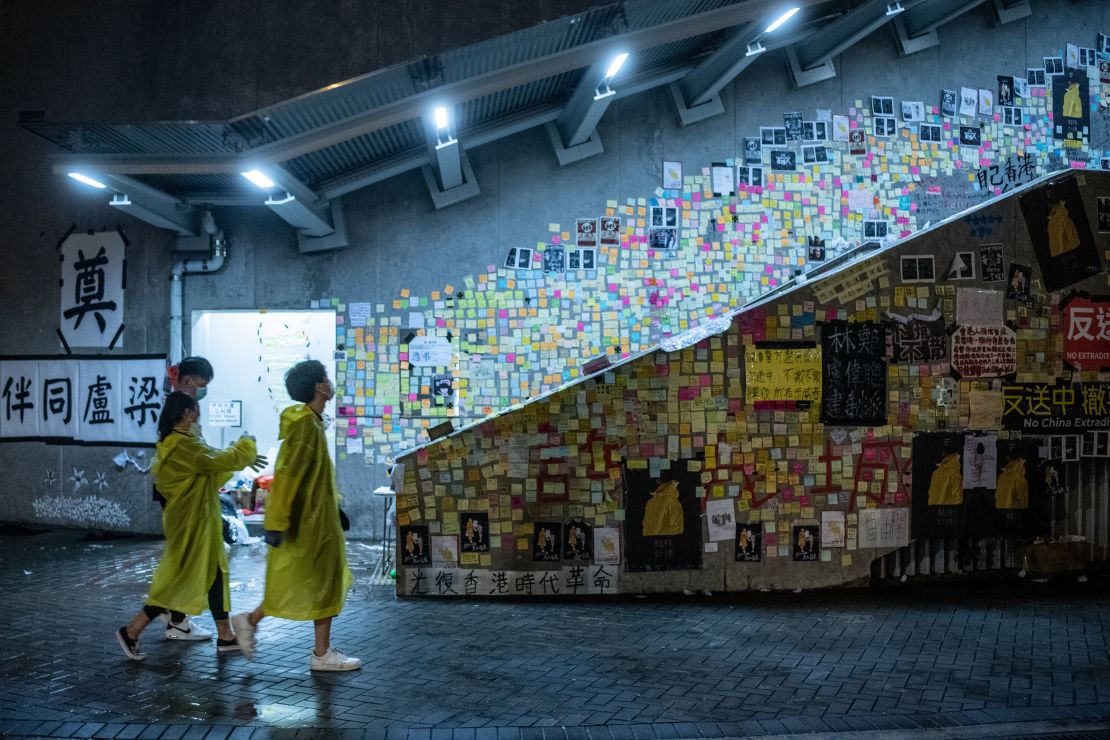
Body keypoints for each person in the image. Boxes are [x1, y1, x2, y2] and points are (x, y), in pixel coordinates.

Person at [231, 360, 361, 672]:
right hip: (309, 524)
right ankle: (318, 653)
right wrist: (275, 523)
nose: (330, 383)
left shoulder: (312, 422)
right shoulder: (305, 425)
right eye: (326, 378)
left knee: (316, 582)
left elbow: (315, 476)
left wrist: (335, 507)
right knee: (321, 582)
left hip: (318, 520)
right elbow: (289, 474)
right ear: (319, 387)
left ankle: (310, 646)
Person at [115, 392, 260, 661]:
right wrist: (246, 446)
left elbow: (211, 468)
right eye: (195, 412)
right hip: (191, 523)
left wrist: (239, 455)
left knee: (216, 573)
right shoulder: (183, 446)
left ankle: (225, 635)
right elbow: (216, 462)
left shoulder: (180, 443)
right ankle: (132, 631)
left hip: (198, 520)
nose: (197, 417)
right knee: (175, 581)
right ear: (186, 413)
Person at [153, 356, 217, 640]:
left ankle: (175, 618)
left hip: (179, 490)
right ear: (189, 380)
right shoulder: (181, 406)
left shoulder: (175, 401)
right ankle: (162, 618)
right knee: (184, 557)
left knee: (182, 556)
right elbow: (192, 449)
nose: (202, 391)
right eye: (201, 385)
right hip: (182, 493)